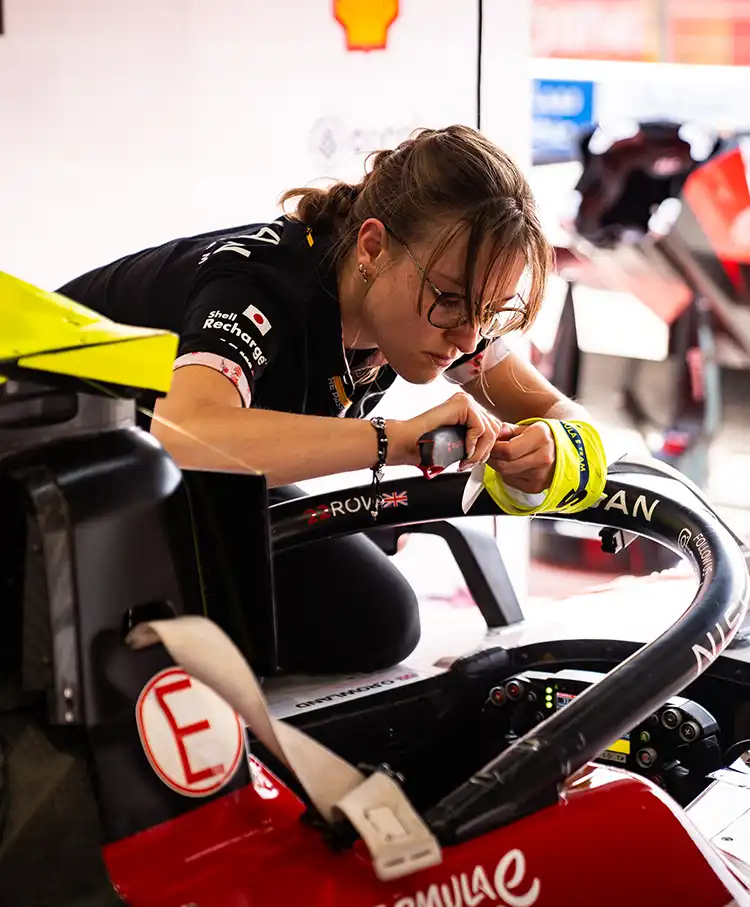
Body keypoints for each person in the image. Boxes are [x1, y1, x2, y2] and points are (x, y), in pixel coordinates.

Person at [57, 124, 604, 675]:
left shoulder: (437, 308)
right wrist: (398, 441)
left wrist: (556, 450)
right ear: (373, 246)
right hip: (50, 473)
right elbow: (185, 438)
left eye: (491, 311)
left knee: (376, 618)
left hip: (140, 485)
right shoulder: (258, 287)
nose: (468, 338)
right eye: (452, 301)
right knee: (375, 617)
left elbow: (563, 414)